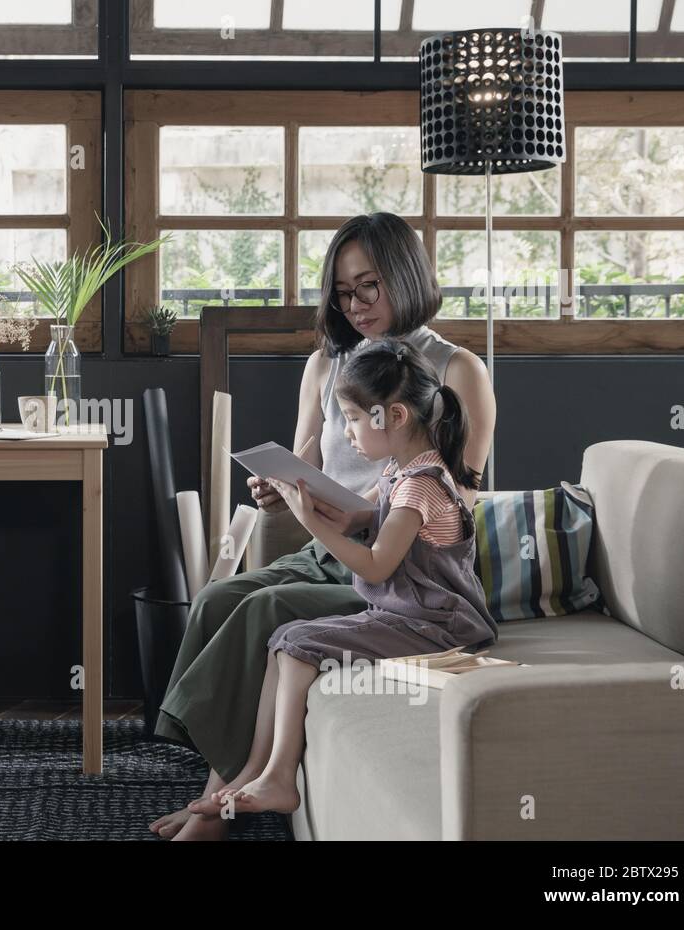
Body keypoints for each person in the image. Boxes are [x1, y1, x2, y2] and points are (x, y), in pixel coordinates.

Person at [151, 211, 497, 841]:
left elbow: (457, 498)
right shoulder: (326, 365)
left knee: (270, 610)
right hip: (325, 548)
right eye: (343, 292)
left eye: (371, 286)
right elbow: (307, 460)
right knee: (219, 596)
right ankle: (220, 777)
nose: (357, 305)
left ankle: (217, 804)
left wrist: (363, 510)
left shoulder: (456, 370)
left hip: (397, 568)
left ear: (406, 276)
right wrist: (281, 490)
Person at [206, 338, 497, 818]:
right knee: (285, 640)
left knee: (295, 644)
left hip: (437, 628)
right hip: (406, 615)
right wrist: (351, 518)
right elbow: (377, 514)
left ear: (396, 417)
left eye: (356, 419)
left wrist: (311, 521)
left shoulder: (421, 485)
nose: (347, 433)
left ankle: (279, 777)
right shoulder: (402, 470)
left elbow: (377, 564)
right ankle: (261, 771)